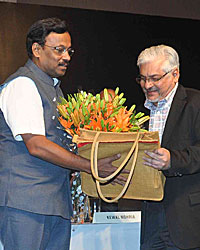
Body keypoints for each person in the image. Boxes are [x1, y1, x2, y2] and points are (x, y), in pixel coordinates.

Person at [0, 17, 126, 250]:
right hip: (26, 204)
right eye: (58, 50)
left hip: (55, 203)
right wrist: (91, 165)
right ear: (36, 50)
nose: (66, 57)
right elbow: (36, 145)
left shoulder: (55, 89)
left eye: (69, 50)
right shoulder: (22, 85)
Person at [136, 44, 200, 250]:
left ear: (175, 74)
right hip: (149, 218)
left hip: (185, 218)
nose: (147, 85)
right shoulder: (139, 113)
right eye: (143, 78)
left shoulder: (196, 103)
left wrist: (173, 160)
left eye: (155, 78)